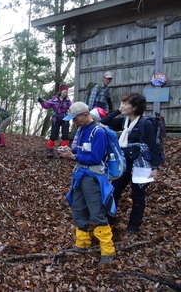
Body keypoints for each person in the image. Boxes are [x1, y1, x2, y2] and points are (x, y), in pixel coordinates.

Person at [59, 102, 115, 264]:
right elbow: (81, 149)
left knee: (96, 211)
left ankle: (107, 250)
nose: (74, 122)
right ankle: (82, 243)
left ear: (85, 115)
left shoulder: (99, 132)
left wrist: (73, 157)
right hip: (80, 174)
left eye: (75, 119)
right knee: (78, 207)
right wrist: (69, 151)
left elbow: (95, 157)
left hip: (93, 176)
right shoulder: (82, 129)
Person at [100, 93, 161, 232]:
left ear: (134, 107)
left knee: (138, 194)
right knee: (115, 190)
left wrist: (155, 167)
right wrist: (117, 111)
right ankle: (109, 217)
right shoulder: (124, 121)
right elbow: (104, 122)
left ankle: (134, 225)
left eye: (125, 104)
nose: (122, 106)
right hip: (124, 162)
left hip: (142, 163)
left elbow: (153, 146)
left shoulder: (146, 123)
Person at [38, 85, 72, 157]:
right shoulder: (54, 100)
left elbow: (72, 108)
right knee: (53, 135)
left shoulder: (68, 101)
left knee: (65, 135)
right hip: (56, 119)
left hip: (65, 119)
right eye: (64, 92)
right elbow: (46, 105)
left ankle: (63, 152)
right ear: (61, 92)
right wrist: (41, 101)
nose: (65, 93)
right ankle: (49, 151)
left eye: (66, 92)